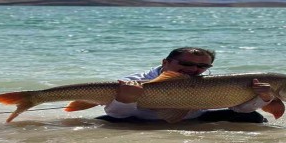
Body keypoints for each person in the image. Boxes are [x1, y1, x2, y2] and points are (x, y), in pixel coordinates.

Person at [97, 47, 273, 123]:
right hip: (140, 121)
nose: (194, 69)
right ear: (165, 62)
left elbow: (240, 109)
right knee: (104, 123)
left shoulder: (208, 82)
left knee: (254, 118)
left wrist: (264, 97)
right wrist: (124, 99)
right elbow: (117, 114)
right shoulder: (134, 81)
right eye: (186, 64)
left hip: (193, 119)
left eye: (202, 66)